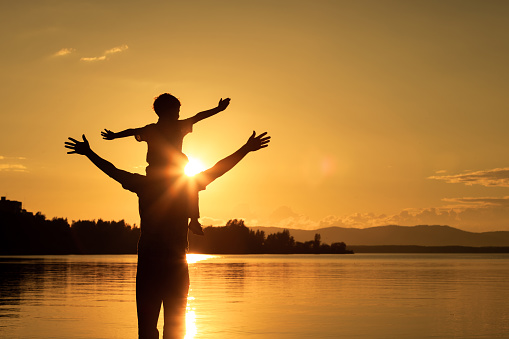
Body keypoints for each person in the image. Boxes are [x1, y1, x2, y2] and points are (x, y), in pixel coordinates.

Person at [65, 131, 270, 339]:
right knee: (174, 328)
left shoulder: (144, 185)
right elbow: (218, 169)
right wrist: (245, 149)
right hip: (174, 264)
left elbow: (112, 170)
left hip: (151, 263)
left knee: (147, 328)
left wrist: (89, 153)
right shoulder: (186, 185)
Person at [101, 94, 231, 236]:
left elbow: (133, 131)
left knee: (190, 184)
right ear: (167, 110)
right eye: (176, 110)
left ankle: (193, 220)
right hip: (164, 172)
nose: (178, 113)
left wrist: (115, 135)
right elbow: (198, 117)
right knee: (191, 185)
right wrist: (218, 109)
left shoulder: (152, 129)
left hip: (166, 172)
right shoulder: (176, 126)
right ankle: (193, 220)